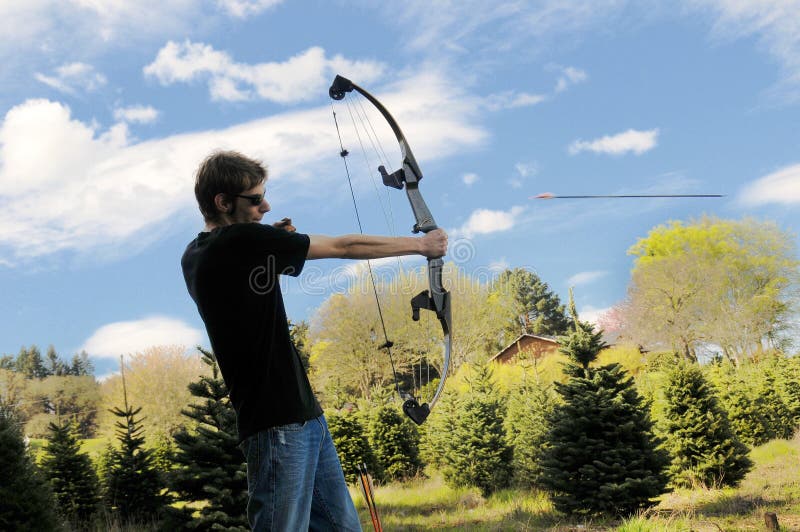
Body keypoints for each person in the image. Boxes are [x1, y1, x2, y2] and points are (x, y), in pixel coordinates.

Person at [181, 150, 447, 531]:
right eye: (255, 200)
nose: (265, 206)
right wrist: (423, 245)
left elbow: (249, 270)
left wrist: (274, 239)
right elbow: (345, 247)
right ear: (222, 202)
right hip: (277, 425)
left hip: (304, 416)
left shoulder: (197, 253)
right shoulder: (239, 242)